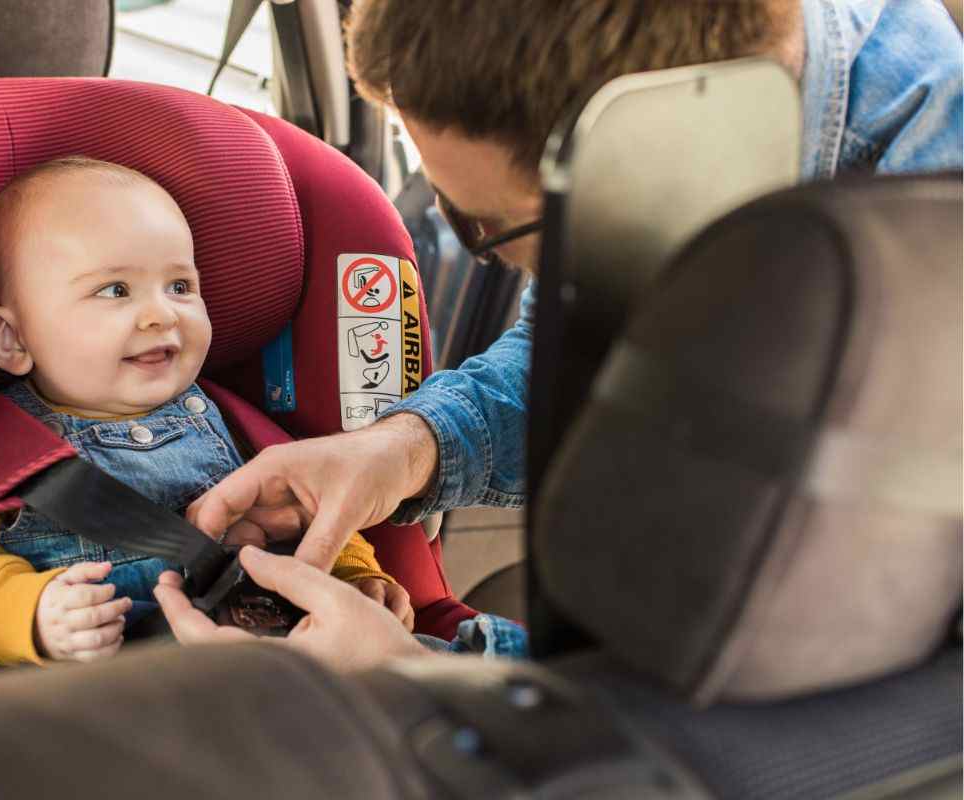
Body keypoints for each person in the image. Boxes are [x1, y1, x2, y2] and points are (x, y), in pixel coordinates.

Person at [158, 0, 964, 670]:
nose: (483, 249)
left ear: (653, 151)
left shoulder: (932, 255)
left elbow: (840, 703)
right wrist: (408, 448)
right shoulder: (686, 114)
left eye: (486, 225)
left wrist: (417, 678)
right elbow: (584, 333)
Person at [0, 156, 413, 666]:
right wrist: (35, 615)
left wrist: (355, 575)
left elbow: (312, 510)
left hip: (287, 663)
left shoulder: (231, 421)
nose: (161, 314)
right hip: (132, 695)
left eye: (180, 286)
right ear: (11, 338)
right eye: (115, 290)